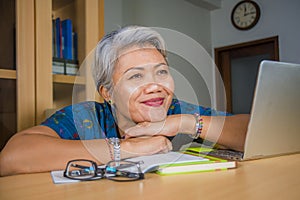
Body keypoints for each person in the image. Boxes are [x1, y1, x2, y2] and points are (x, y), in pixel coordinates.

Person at [0, 26, 249, 176]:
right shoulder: (87, 117)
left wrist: (183, 123)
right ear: (107, 92)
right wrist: (128, 149)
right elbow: (11, 158)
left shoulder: (176, 110)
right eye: (136, 76)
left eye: (161, 71)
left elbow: (255, 132)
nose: (155, 86)